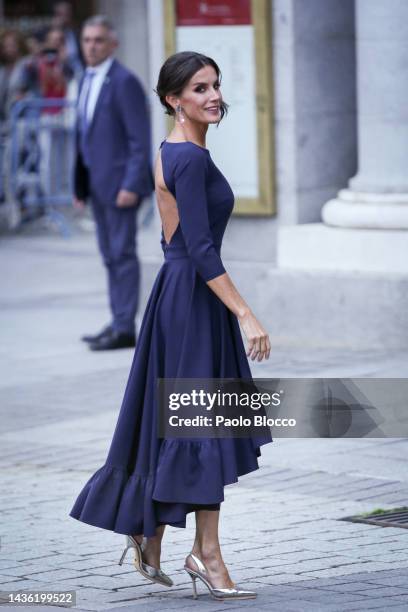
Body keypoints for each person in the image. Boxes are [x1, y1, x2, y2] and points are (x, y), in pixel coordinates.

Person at [69, 50, 273, 601]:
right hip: (194, 298)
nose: (212, 96)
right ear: (172, 100)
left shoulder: (175, 150)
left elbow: (182, 245)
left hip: (181, 298)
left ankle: (152, 531)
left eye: (215, 86)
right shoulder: (189, 159)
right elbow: (201, 250)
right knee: (203, 426)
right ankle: (204, 553)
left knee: (191, 424)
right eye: (199, 88)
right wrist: (246, 313)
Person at [73, 15, 154, 351]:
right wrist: (79, 186)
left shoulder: (124, 82)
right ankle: (118, 320)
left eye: (98, 40)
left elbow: (139, 140)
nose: (91, 46)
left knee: (122, 254)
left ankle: (124, 327)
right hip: (97, 185)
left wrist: (132, 185)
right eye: (87, 40)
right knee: (109, 255)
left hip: (121, 187)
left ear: (113, 44)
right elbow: (83, 136)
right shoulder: (86, 79)